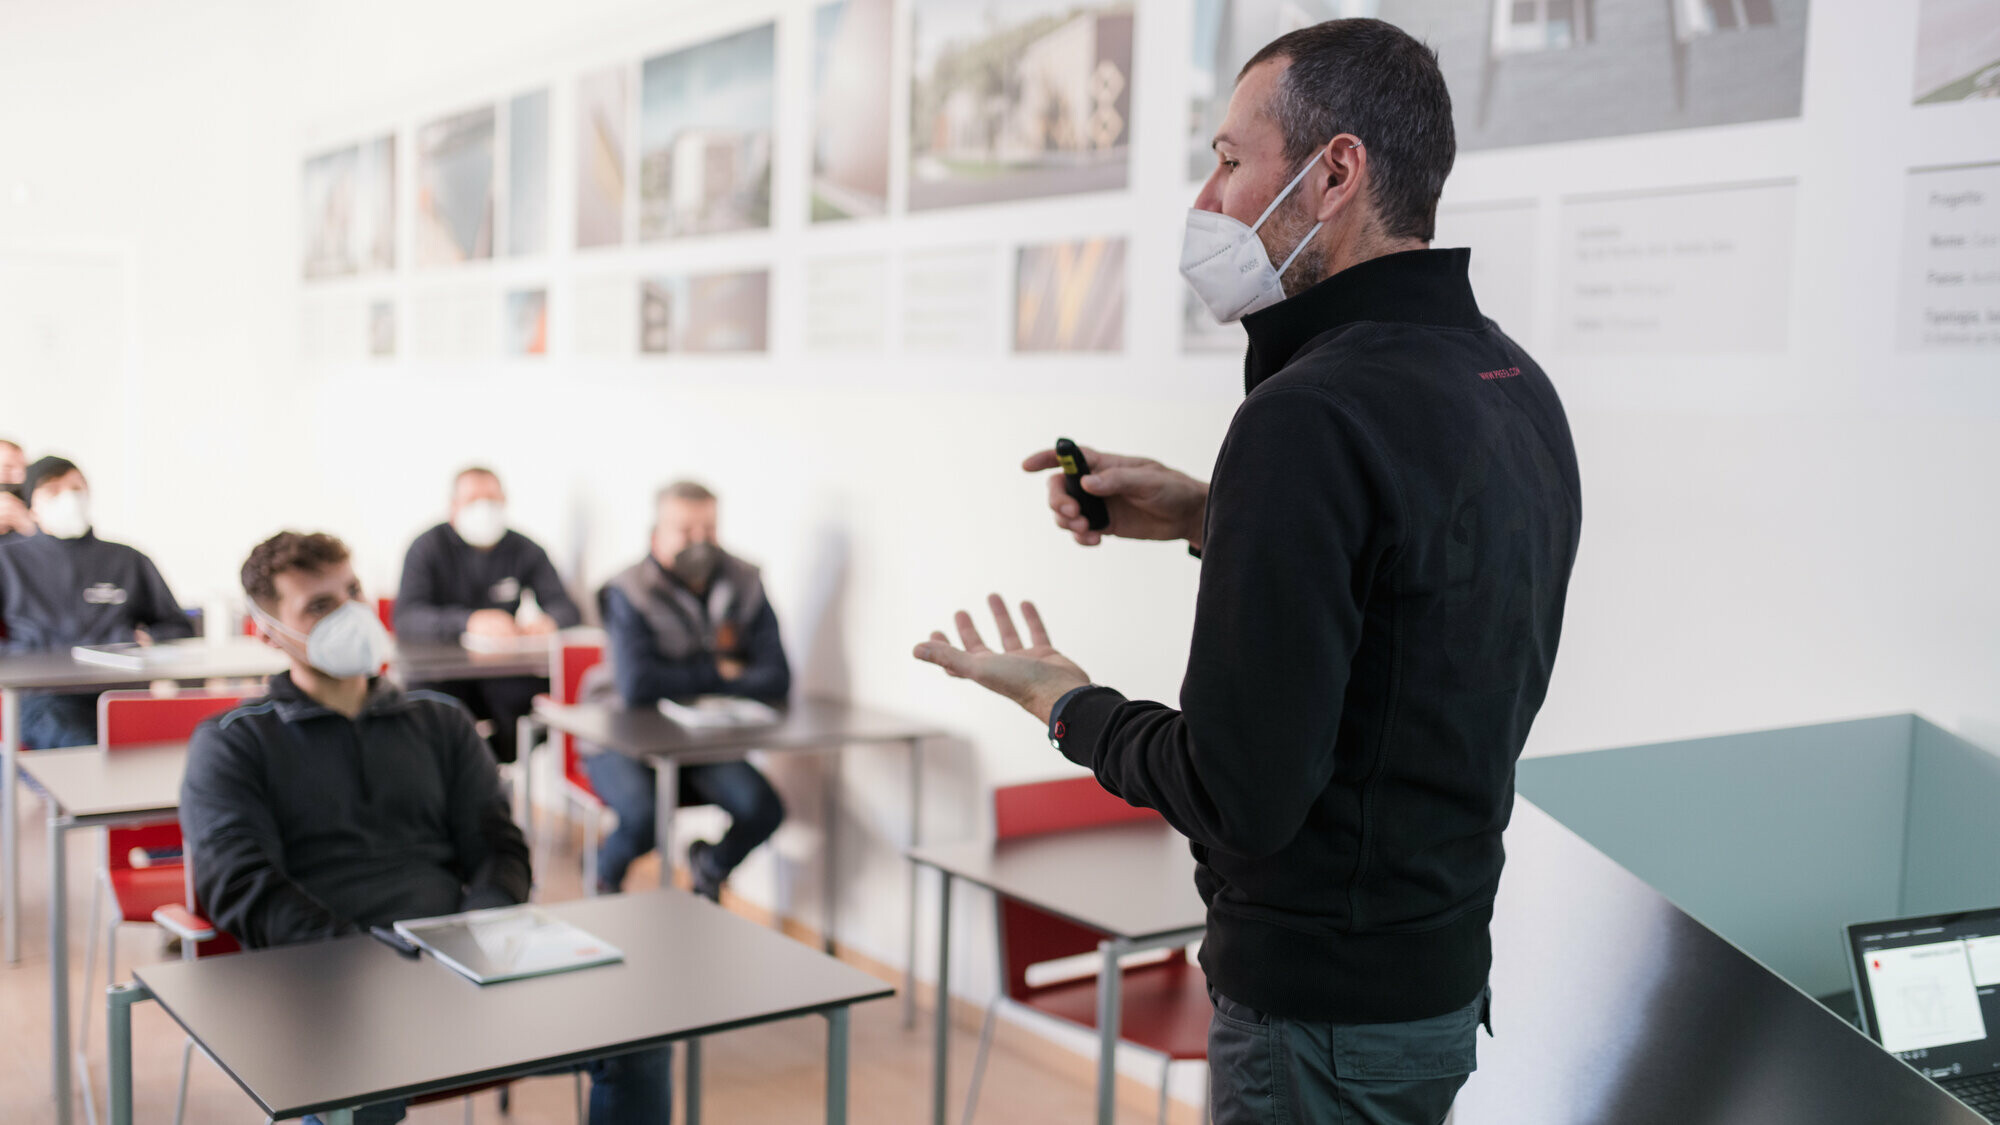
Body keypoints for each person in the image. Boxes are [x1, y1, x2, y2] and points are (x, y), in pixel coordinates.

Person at [912, 20, 1582, 1125]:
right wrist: (1207, 514)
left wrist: (1060, 701)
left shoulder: (1306, 415)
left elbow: (1239, 797)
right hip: (1435, 985)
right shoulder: (1505, 377)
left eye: (1229, 158)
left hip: (1312, 1016)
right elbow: (1411, 610)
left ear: (1334, 173)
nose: (1205, 198)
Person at [180, 531, 670, 1125]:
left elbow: (497, 845)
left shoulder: (440, 721)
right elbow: (239, 881)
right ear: (267, 631)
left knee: (639, 1039)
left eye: (353, 592)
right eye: (319, 605)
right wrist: (360, 960)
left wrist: (480, 931)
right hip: (325, 984)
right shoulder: (235, 743)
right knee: (366, 1082)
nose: (349, 613)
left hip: (456, 964)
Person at [581, 481, 789, 900]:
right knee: (644, 819)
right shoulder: (627, 589)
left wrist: (688, 675)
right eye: (686, 531)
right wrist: (722, 671)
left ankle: (710, 864)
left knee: (764, 808)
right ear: (656, 534)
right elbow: (638, 686)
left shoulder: (745, 579)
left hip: (701, 737)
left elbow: (777, 677)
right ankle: (604, 875)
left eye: (709, 530)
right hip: (621, 734)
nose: (700, 542)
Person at [0, 456, 195, 748]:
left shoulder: (128, 559)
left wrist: (150, 638)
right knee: (88, 747)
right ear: (32, 507)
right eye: (53, 490)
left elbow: (179, 626)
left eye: (76, 488)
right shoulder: (8, 561)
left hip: (124, 694)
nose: (68, 498)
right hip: (45, 699)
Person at [395, 466, 582, 763]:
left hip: (503, 675)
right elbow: (407, 617)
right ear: (453, 506)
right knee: (430, 716)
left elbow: (567, 607)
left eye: (492, 499)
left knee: (536, 701)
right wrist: (468, 621)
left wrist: (549, 622)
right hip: (439, 674)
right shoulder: (426, 548)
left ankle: (494, 774)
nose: (484, 508)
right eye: (473, 500)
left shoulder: (525, 549)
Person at [0, 439, 35, 544]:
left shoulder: (36, 507)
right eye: (8, 468)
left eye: (24, 468)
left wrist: (29, 528)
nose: (20, 476)